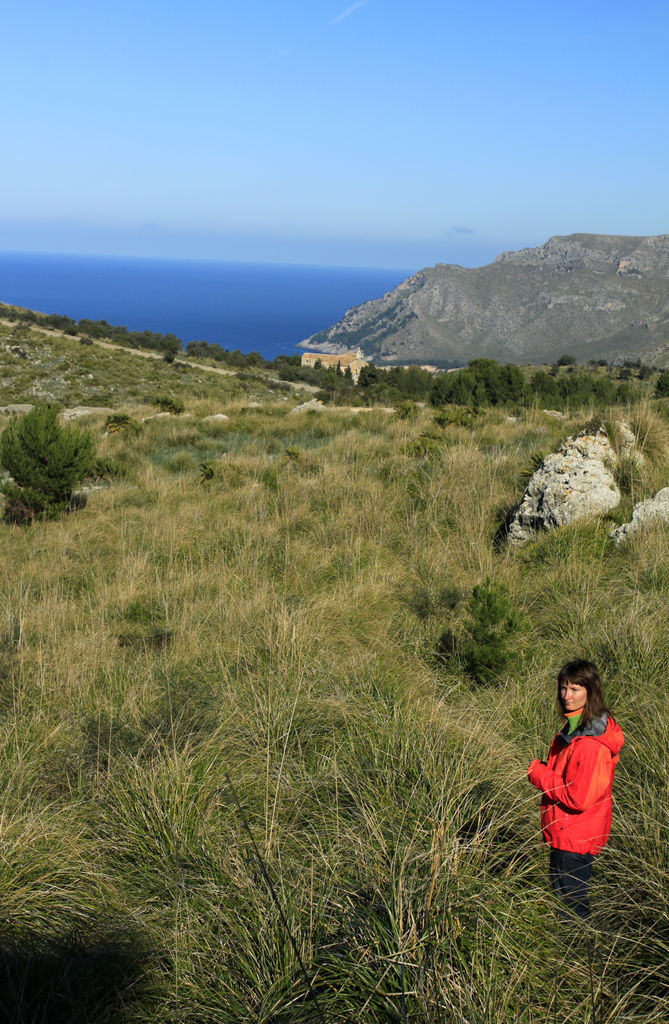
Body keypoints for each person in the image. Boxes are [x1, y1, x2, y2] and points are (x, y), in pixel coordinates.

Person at [528, 660, 624, 920]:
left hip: (574, 836)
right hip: (568, 832)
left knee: (571, 909)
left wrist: (539, 774)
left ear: (590, 692)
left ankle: (579, 955)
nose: (566, 696)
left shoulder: (590, 744)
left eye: (575, 689)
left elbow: (578, 797)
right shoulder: (576, 727)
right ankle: (575, 951)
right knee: (568, 901)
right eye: (563, 688)